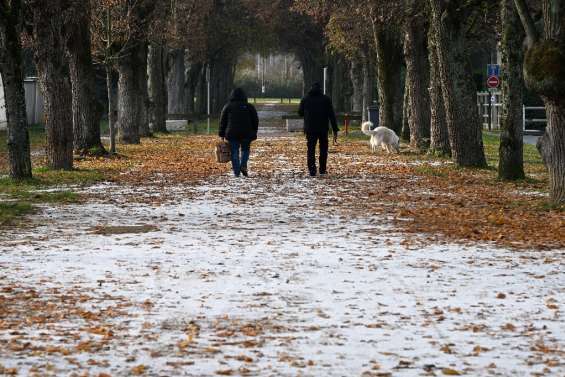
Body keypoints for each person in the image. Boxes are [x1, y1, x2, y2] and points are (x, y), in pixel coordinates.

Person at [298, 82, 339, 177]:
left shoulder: (305, 98)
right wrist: (335, 129)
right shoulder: (326, 99)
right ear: (320, 89)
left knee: (311, 149)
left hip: (310, 128)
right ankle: (322, 169)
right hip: (323, 128)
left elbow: (300, 112)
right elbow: (331, 115)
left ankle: (312, 170)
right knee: (323, 149)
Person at [219, 88, 259, 177]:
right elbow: (255, 120)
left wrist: (221, 134)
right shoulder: (249, 106)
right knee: (245, 149)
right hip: (247, 133)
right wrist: (254, 131)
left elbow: (223, 121)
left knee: (234, 151)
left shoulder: (228, 106)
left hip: (232, 133)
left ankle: (236, 172)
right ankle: (243, 164)